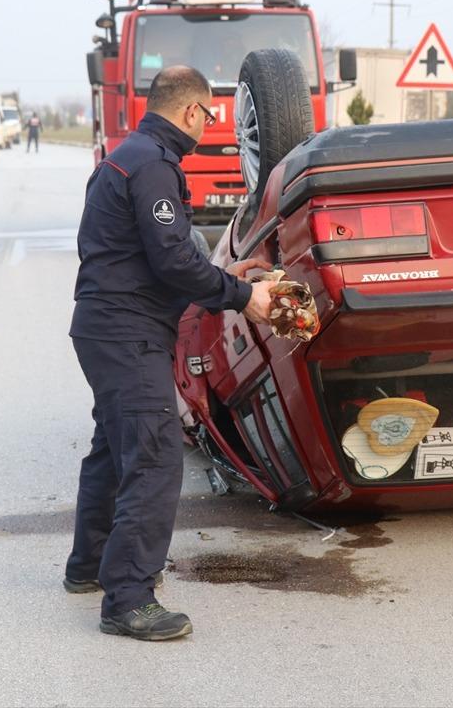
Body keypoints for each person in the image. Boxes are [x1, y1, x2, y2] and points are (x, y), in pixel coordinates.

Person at [65, 66, 274, 641]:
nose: (209, 126)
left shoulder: (127, 155)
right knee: (155, 459)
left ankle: (88, 566)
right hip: (127, 334)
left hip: (105, 329)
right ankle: (128, 598)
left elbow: (153, 257)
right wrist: (243, 296)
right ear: (191, 113)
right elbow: (172, 263)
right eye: (209, 116)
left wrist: (225, 274)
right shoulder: (155, 164)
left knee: (114, 448)